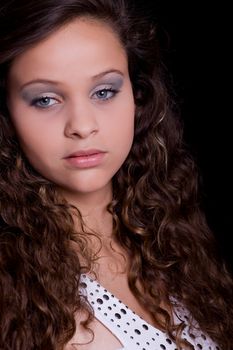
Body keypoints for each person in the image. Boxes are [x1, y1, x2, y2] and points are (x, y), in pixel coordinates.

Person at [0, 0, 232, 349]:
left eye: (104, 92)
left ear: (137, 97)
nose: (82, 126)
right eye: (46, 99)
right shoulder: (10, 279)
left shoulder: (170, 239)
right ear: (7, 113)